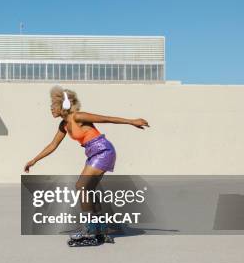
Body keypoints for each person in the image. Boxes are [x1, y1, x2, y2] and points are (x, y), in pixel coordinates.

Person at [23, 86, 150, 245]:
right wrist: (34, 160)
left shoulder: (78, 117)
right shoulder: (63, 125)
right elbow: (53, 145)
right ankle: (101, 230)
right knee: (87, 189)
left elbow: (107, 118)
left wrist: (132, 121)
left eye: (53, 106)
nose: (51, 109)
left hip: (103, 151)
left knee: (81, 186)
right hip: (92, 154)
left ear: (64, 106)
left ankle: (90, 230)